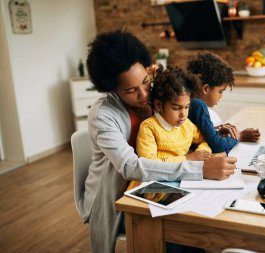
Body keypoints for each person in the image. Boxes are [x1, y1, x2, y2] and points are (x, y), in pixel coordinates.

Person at [82, 31, 236, 253]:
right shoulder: (103, 115)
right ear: (112, 89)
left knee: (201, 225)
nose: (144, 93)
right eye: (131, 90)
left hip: (156, 184)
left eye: (145, 81)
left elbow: (179, 122)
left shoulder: (153, 95)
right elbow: (130, 167)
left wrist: (213, 130)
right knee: (180, 233)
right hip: (117, 199)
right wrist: (198, 168)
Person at [187, 51, 261, 153]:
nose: (221, 96)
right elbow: (217, 145)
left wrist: (217, 131)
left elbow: (200, 135)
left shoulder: (187, 98)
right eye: (220, 91)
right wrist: (239, 136)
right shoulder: (198, 105)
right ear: (206, 88)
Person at [137, 65, 211, 162]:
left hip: (182, 174)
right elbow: (149, 164)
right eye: (176, 108)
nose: (183, 114)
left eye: (187, 107)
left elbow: (205, 140)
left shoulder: (187, 125)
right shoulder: (149, 127)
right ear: (158, 105)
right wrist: (188, 159)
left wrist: (201, 154)